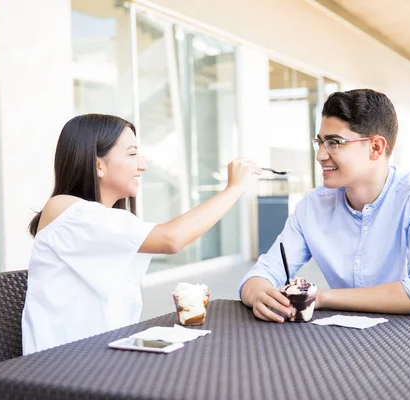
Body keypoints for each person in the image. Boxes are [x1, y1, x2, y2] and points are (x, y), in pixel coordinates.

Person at [22, 114, 261, 354]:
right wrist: (234, 188)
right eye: (132, 153)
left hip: (102, 354)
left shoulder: (99, 221)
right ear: (98, 165)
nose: (143, 164)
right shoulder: (65, 209)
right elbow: (171, 239)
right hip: (59, 367)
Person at [240, 89, 410, 322]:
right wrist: (259, 294)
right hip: (342, 341)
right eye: (320, 142)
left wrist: (321, 298)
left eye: (334, 142)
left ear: (375, 148)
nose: (321, 155)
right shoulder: (313, 206)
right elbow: (261, 275)